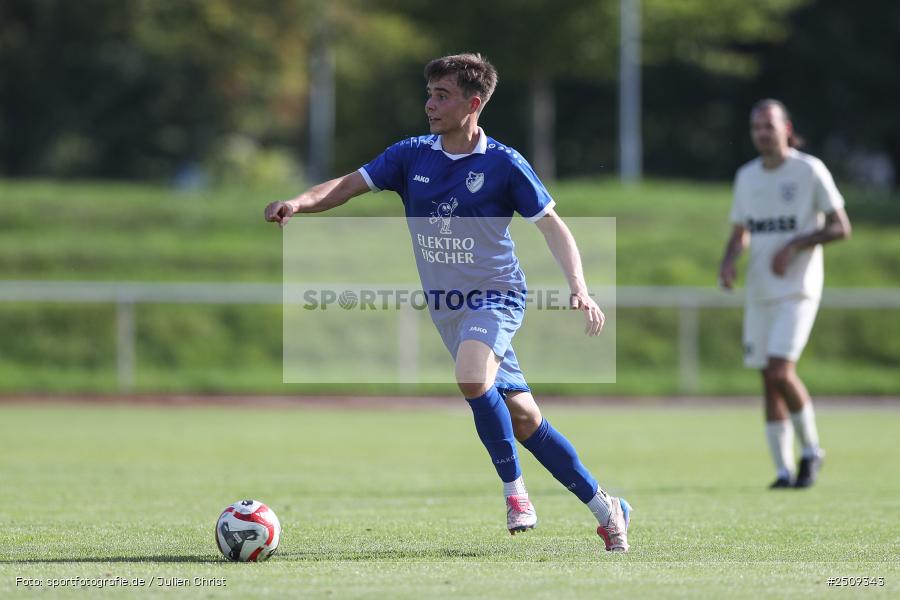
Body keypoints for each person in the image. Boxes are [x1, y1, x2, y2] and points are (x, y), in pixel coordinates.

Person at [265, 53, 631, 552]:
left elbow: (553, 225)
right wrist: (300, 203)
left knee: (471, 377)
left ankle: (515, 491)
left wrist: (579, 287)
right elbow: (347, 186)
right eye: (429, 93)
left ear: (473, 103)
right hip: (448, 307)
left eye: (443, 95)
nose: (430, 104)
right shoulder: (411, 154)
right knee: (524, 419)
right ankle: (606, 508)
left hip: (497, 295)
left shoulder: (504, 163)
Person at [718, 99, 851, 489]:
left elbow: (841, 227)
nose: (762, 133)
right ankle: (782, 470)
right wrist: (728, 262)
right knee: (767, 378)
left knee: (780, 371)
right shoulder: (747, 176)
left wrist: (794, 245)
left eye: (769, 126)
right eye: (756, 127)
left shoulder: (809, 170)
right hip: (760, 291)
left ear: (786, 128)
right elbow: (740, 232)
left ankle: (811, 451)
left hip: (798, 289)